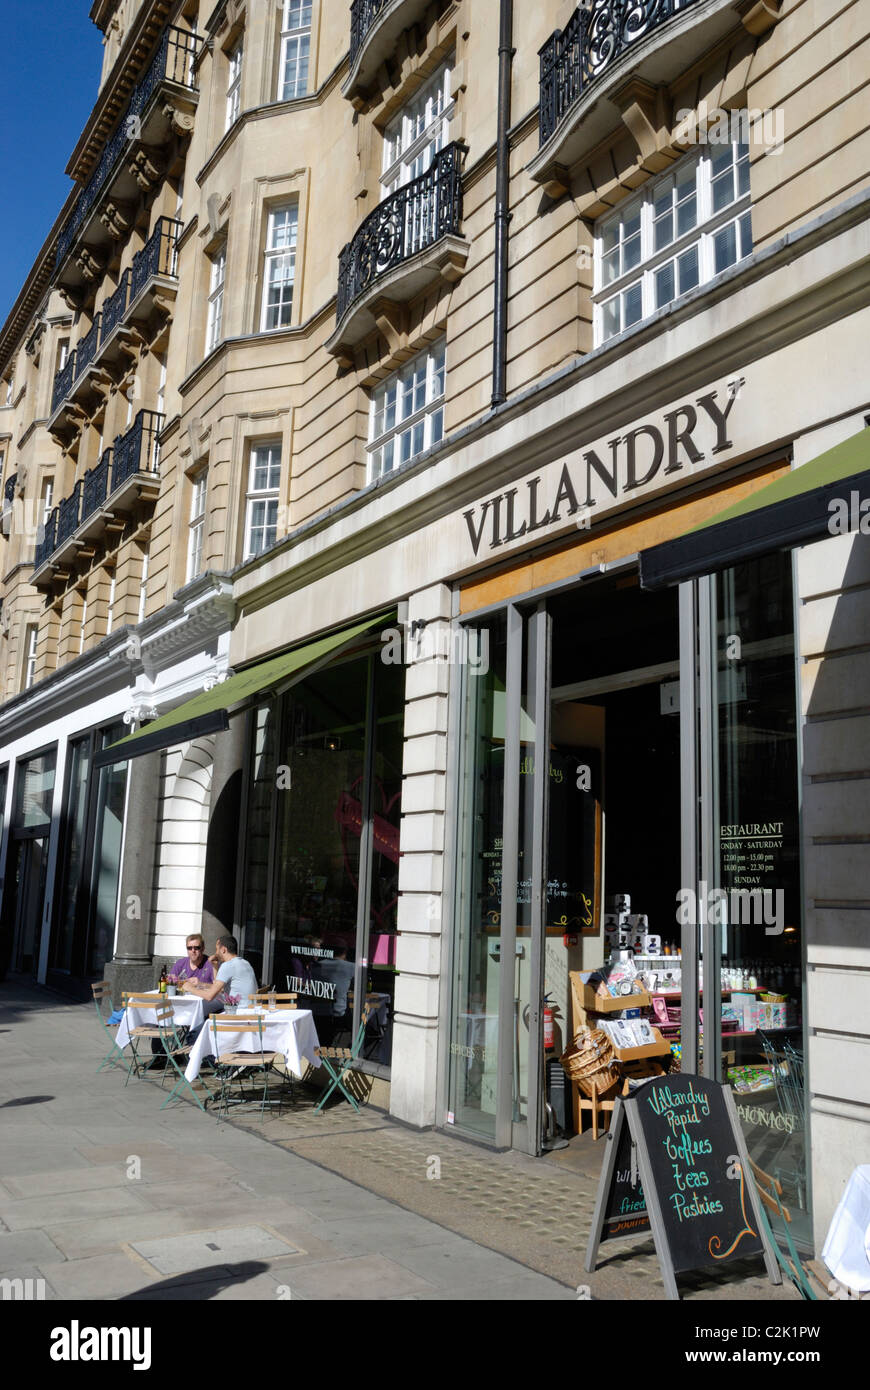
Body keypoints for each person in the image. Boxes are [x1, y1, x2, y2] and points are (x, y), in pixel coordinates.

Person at [182, 935, 259, 1044]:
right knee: (206, 1020)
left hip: (236, 1018)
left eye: (217, 949)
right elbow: (220, 988)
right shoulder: (245, 963)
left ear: (223, 949)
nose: (216, 952)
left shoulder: (228, 965)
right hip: (249, 1015)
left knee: (191, 1036)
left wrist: (190, 988)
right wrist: (214, 967)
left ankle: (212, 1059)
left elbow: (209, 996)